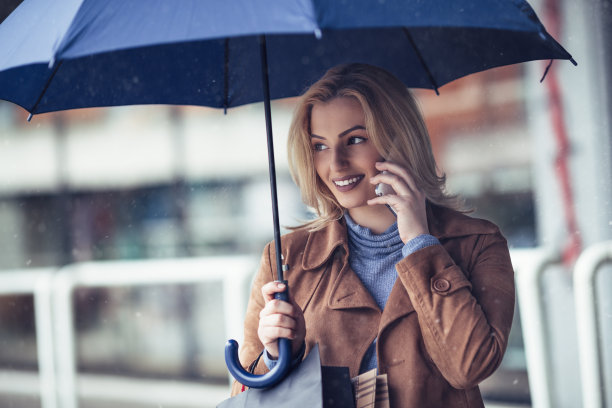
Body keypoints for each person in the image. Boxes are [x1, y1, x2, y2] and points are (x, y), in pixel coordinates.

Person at [230, 63, 515, 408]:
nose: (336, 163)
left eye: (355, 140)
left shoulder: (476, 243)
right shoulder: (286, 258)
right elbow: (243, 394)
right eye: (320, 146)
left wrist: (421, 244)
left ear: (398, 138)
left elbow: (469, 367)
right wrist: (276, 357)